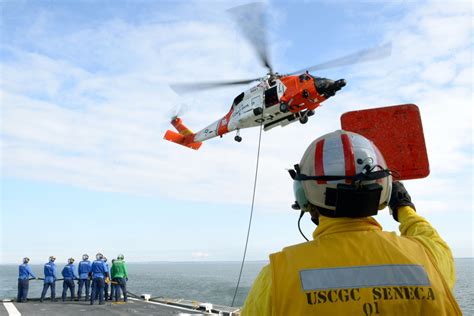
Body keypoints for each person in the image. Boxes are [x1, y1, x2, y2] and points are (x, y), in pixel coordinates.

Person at [241, 130, 461, 315]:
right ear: (384, 190)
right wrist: (404, 207)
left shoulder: (276, 279)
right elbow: (430, 238)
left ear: (304, 197)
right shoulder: (429, 258)